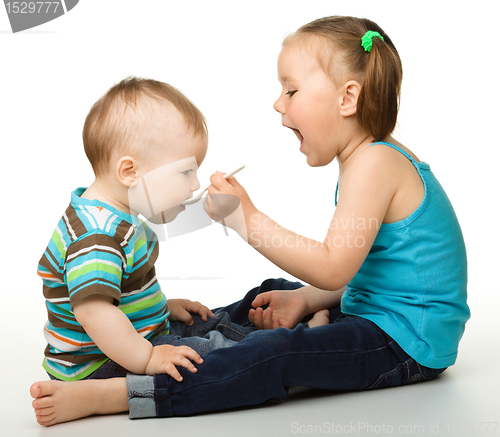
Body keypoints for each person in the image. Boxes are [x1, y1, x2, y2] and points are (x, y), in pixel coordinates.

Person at [31, 16, 470, 425]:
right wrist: (309, 302)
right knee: (275, 294)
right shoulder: (372, 159)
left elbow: (336, 266)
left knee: (277, 356)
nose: (277, 102)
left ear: (347, 98)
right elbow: (364, 266)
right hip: (376, 312)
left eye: (291, 90)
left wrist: (246, 219)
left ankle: (128, 393)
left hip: (407, 343)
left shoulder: (375, 165)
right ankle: (249, 334)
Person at [34, 76, 275, 385]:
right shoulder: (97, 238)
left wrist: (160, 309)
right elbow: (94, 313)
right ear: (130, 172)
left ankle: (281, 328)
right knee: (210, 355)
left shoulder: (116, 215)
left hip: (128, 342)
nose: (195, 185)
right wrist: (147, 358)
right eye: (186, 172)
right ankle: (288, 342)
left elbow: (118, 291)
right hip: (98, 364)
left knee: (215, 321)